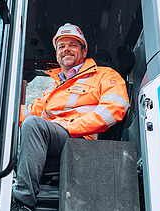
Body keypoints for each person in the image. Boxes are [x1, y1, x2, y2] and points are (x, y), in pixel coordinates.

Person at [11, 23, 130, 211]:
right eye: (61, 46)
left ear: (84, 51)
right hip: (54, 140)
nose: (66, 49)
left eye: (72, 45)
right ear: (57, 54)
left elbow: (114, 109)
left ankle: (23, 203)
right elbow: (27, 113)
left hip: (84, 143)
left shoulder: (105, 76)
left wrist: (68, 126)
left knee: (33, 126)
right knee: (20, 129)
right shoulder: (53, 89)